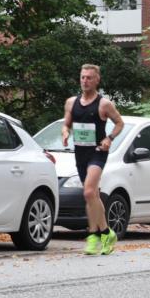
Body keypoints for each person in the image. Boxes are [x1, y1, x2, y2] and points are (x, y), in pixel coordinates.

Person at [62, 64, 124, 255]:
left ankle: (95, 234)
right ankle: (105, 233)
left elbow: (119, 123)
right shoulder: (71, 102)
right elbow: (66, 124)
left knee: (89, 192)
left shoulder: (104, 104)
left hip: (98, 152)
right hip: (80, 153)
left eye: (89, 77)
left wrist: (109, 138)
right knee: (93, 196)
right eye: (82, 77)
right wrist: (65, 133)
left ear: (97, 80)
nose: (85, 81)